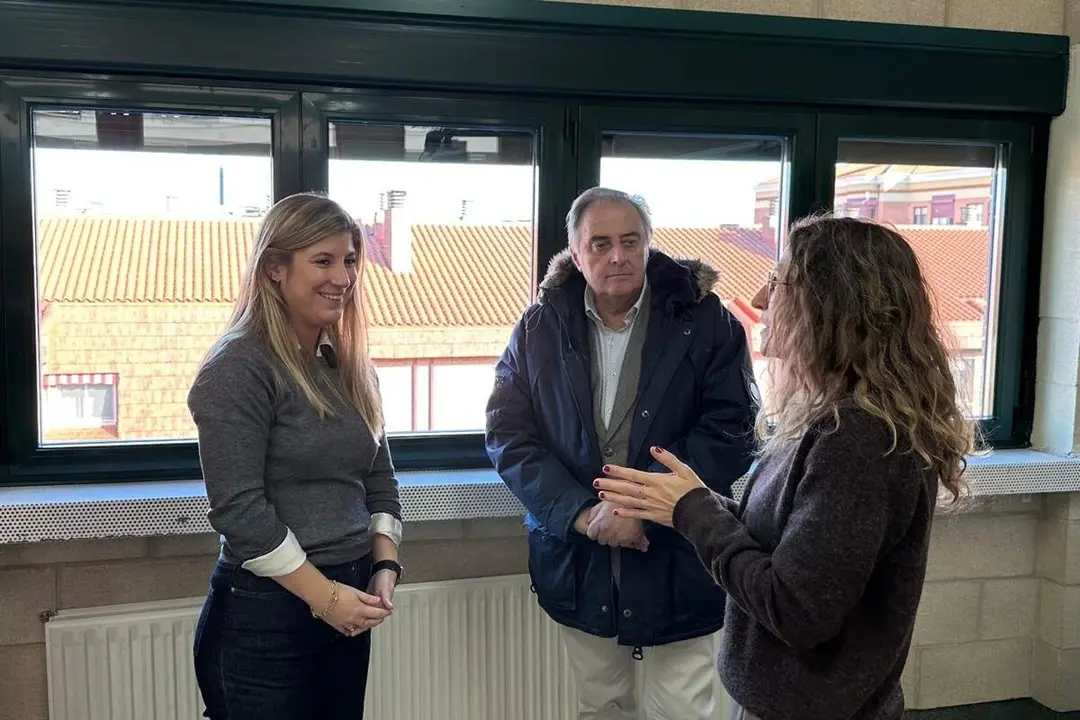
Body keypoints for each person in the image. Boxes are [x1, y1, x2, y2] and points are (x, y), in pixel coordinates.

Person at [594, 215, 977, 720]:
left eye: (778, 284)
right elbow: (790, 544)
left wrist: (693, 512)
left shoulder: (857, 439)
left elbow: (794, 609)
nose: (758, 301)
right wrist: (690, 504)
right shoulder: (833, 419)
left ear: (834, 306)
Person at [485, 187, 758, 719]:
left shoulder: (705, 322)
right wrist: (583, 515)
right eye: (601, 243)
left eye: (631, 241)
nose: (618, 256)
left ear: (649, 245)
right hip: (580, 560)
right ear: (575, 252)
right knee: (600, 706)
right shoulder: (539, 327)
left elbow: (733, 429)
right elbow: (508, 434)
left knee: (683, 709)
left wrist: (642, 510)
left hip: (680, 555)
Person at [187, 192, 405, 720]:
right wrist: (326, 598)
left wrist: (383, 568)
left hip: (348, 603)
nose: (343, 276)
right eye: (323, 260)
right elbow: (240, 512)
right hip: (264, 620)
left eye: (350, 259)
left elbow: (379, 478)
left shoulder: (350, 366)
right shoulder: (238, 366)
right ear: (275, 269)